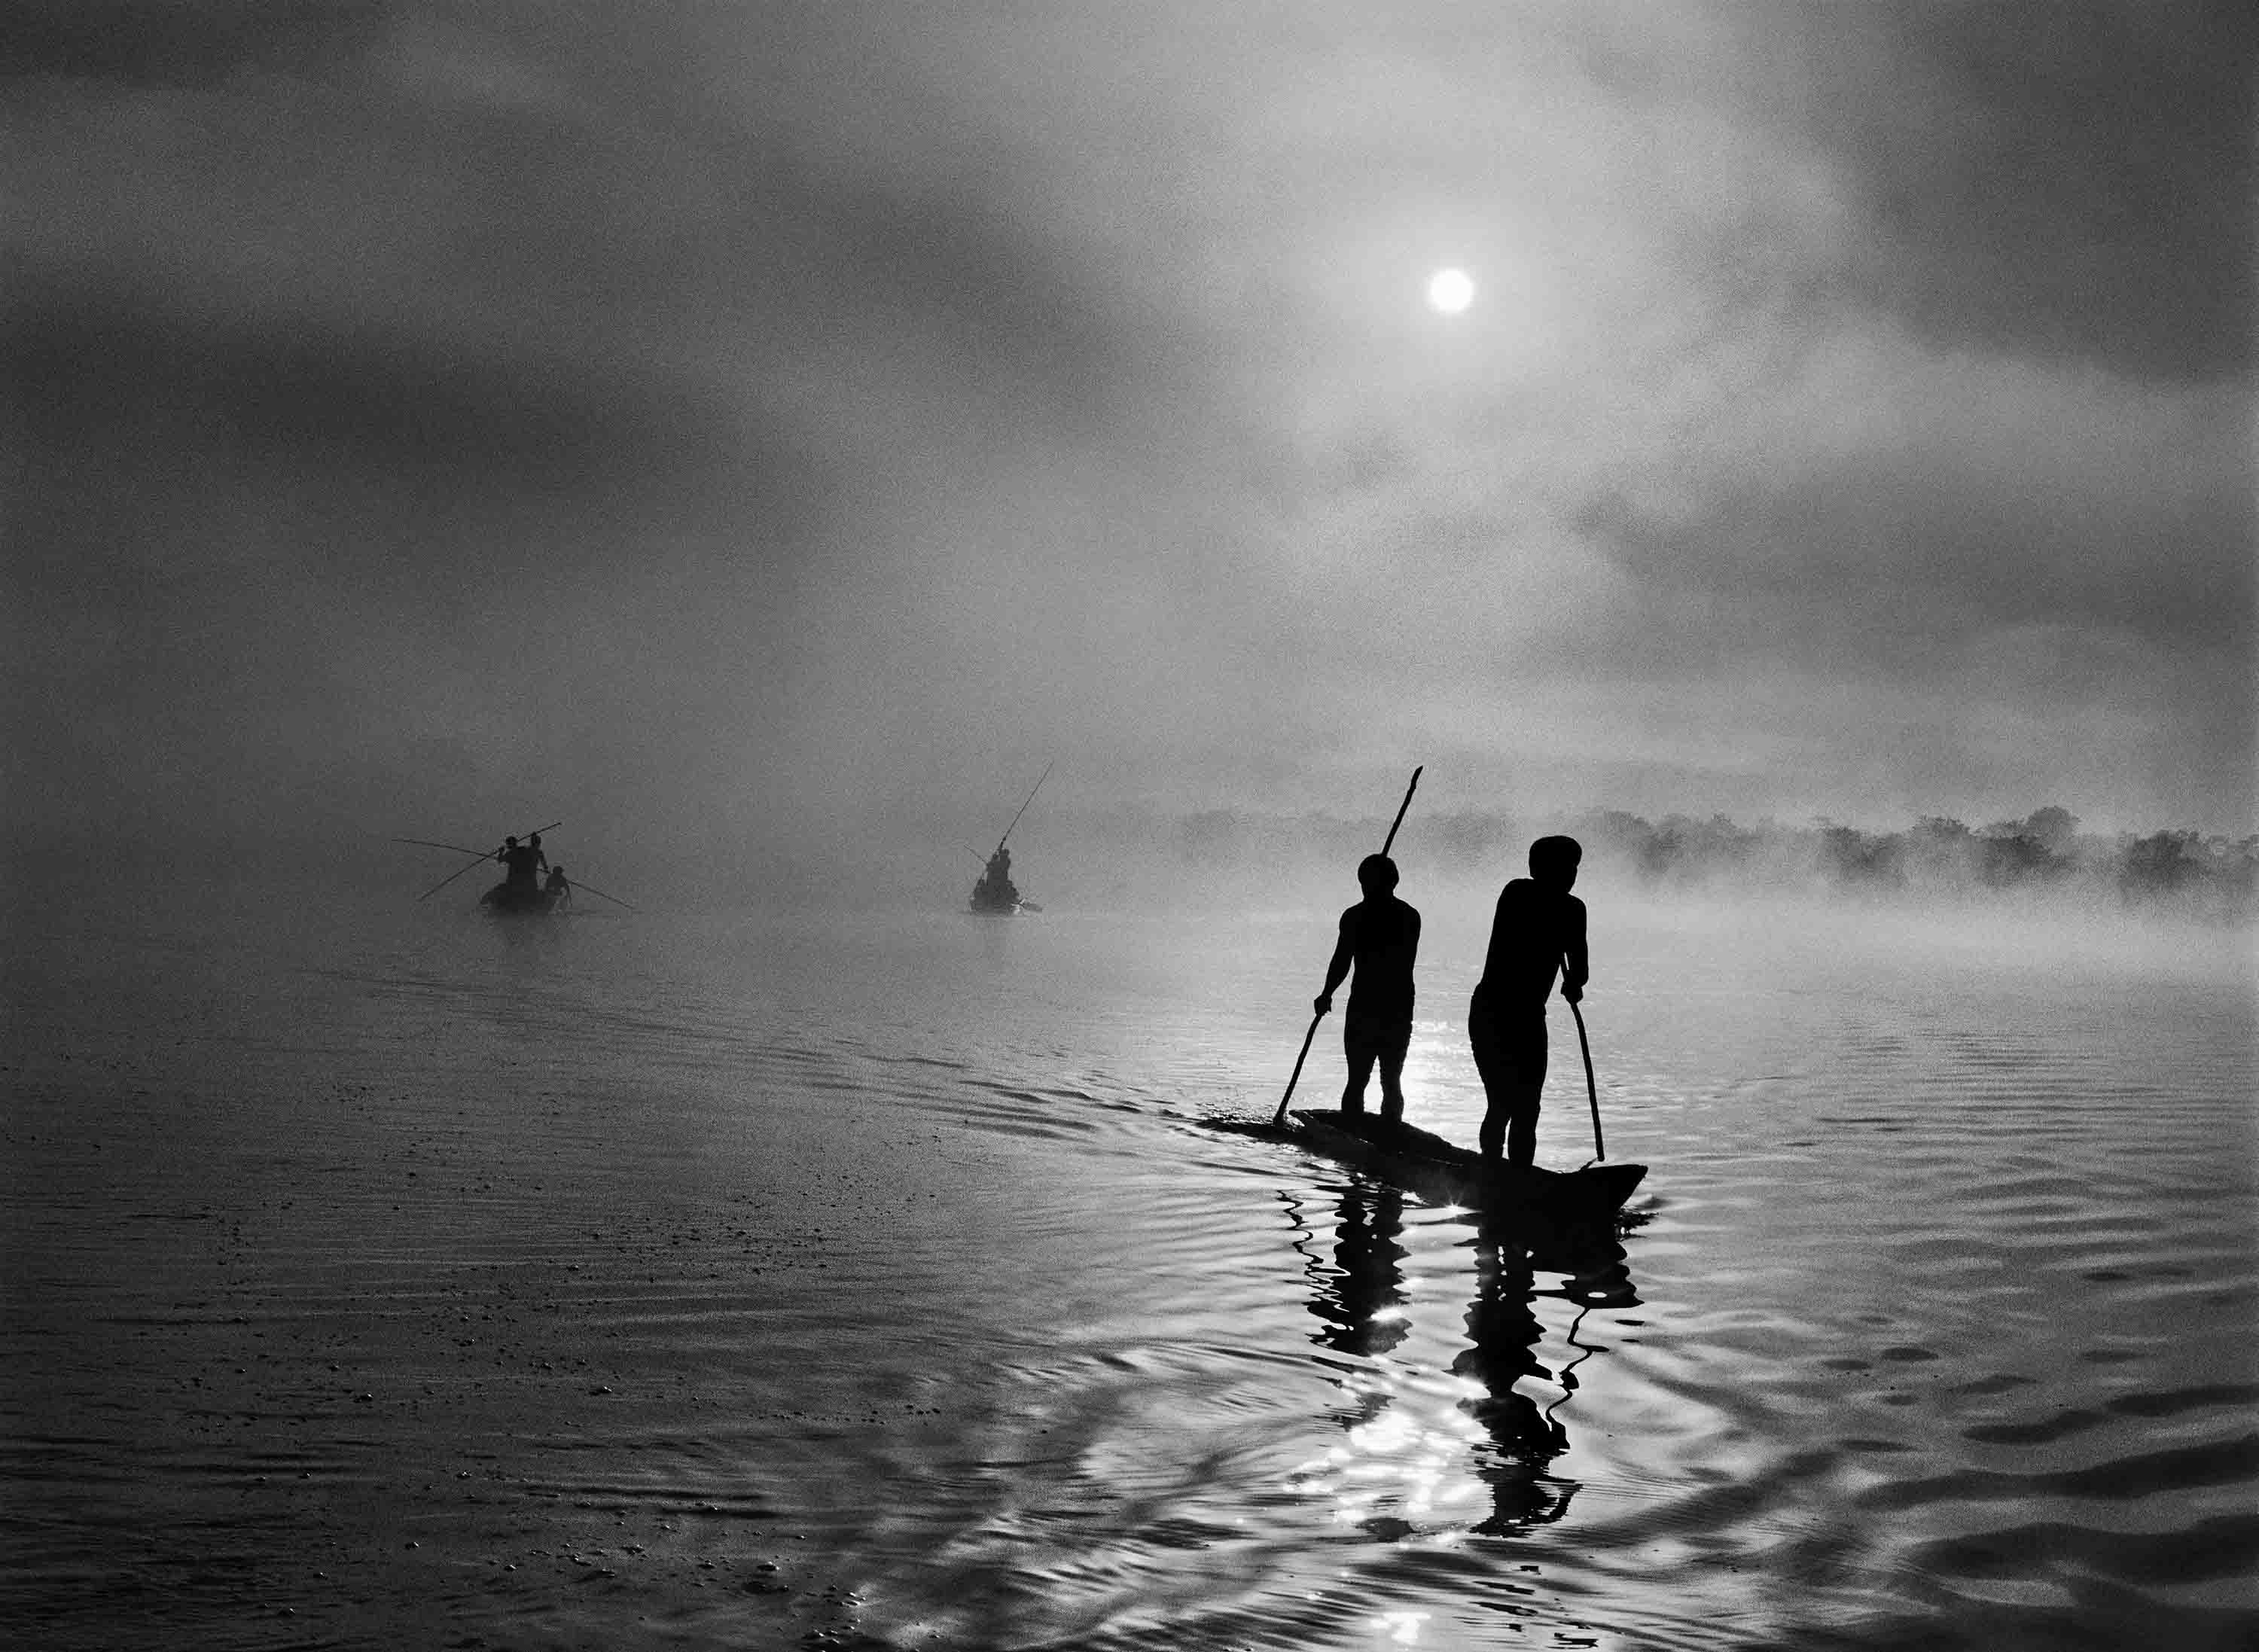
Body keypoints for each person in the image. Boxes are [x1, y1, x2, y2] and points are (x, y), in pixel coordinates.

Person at [1468, 835, 1587, 1167]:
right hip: (1492, 1013)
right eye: (1564, 867)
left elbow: (1580, 970)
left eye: (1574, 868)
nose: (1571, 874)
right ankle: (1491, 1167)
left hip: (1531, 1019)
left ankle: (1520, 1176)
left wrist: (1573, 983)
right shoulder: (1517, 893)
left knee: (1529, 1107)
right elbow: (1536, 923)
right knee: (1503, 1103)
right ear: (1538, 869)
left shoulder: (1574, 910)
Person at [1314, 852, 1421, 1120]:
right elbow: (1341, 961)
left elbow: (1344, 960)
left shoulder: (1365, 917)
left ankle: (1388, 1134)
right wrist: (1326, 993)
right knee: (1368, 1080)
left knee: (1382, 1081)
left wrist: (1327, 993)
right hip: (1382, 1007)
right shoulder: (1404, 916)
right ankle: (1365, 1130)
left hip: (1382, 1008)